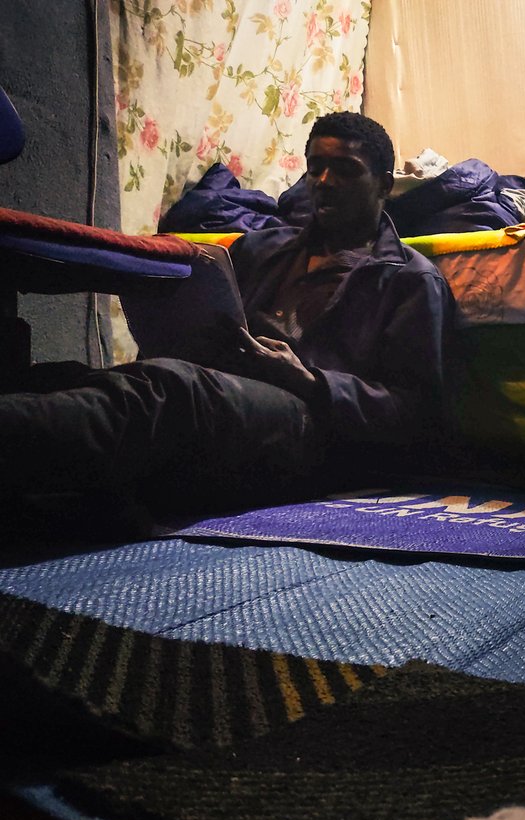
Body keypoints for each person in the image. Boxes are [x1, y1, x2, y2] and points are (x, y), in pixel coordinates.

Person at [0, 112, 455, 533]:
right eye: (315, 168)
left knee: (173, 389)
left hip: (316, 426)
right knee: (69, 379)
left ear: (383, 184)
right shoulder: (260, 248)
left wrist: (308, 379)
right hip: (227, 401)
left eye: (346, 170)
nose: (324, 182)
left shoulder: (411, 280)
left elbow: (417, 416)